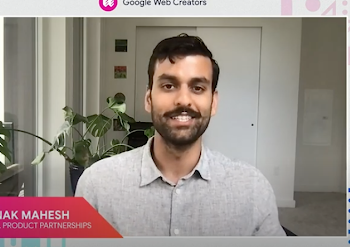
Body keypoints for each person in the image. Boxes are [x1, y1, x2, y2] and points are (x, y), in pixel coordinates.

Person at [75, 33, 286, 237]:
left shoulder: (252, 189)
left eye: (197, 87)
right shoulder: (97, 186)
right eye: (168, 86)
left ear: (213, 102)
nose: (183, 100)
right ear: (148, 99)